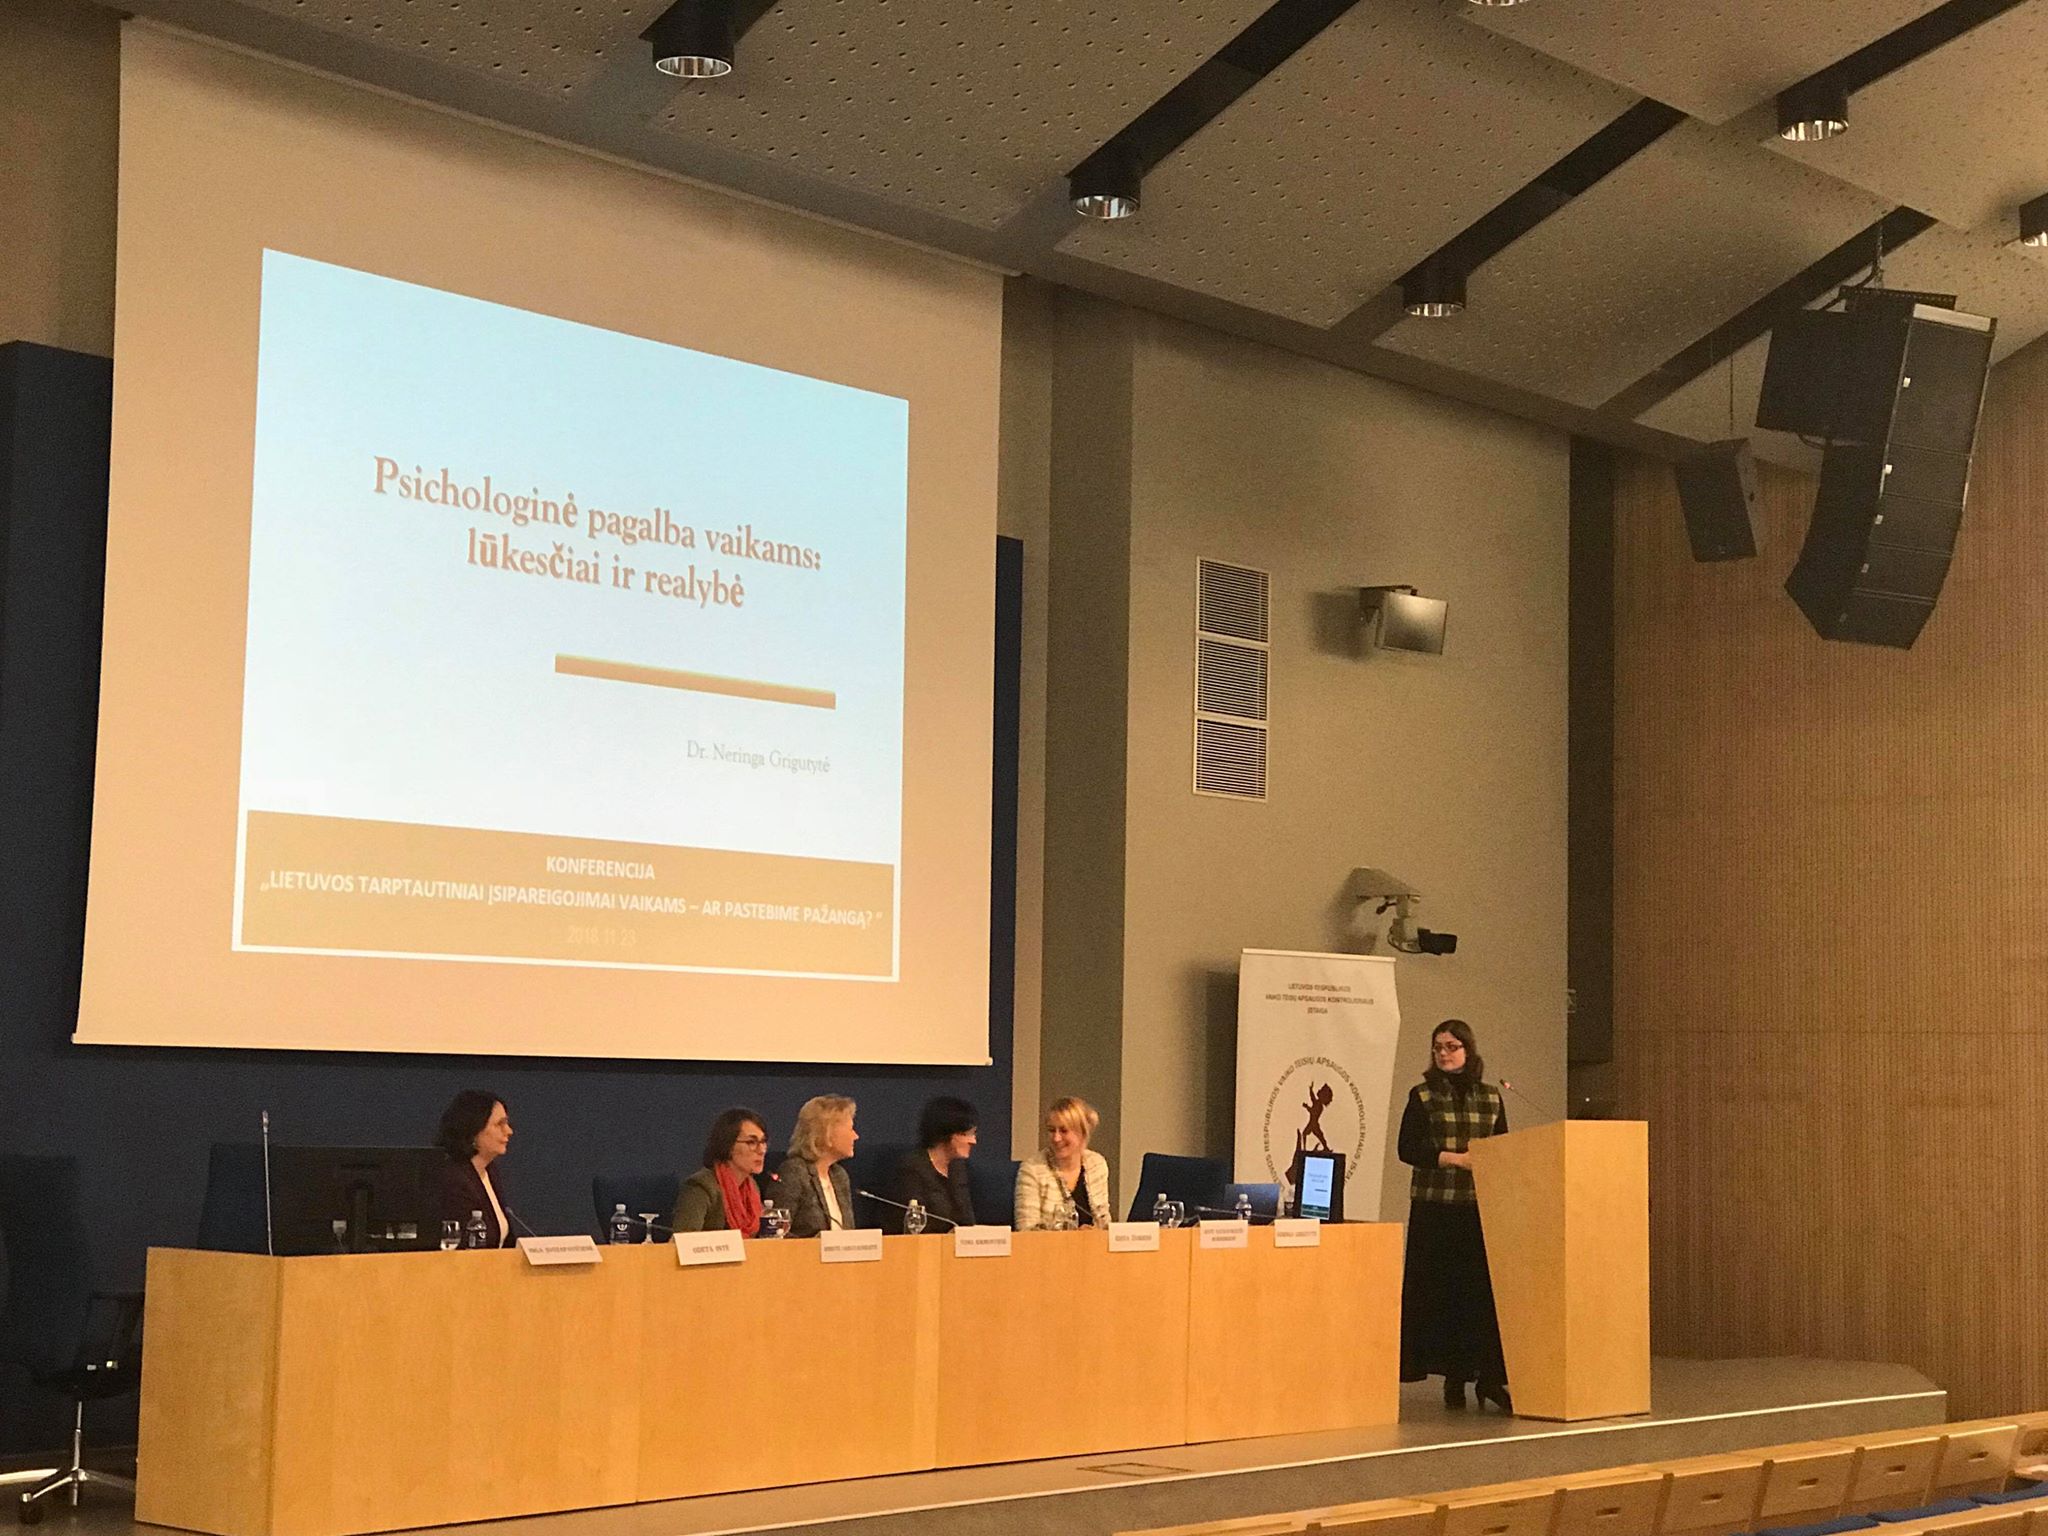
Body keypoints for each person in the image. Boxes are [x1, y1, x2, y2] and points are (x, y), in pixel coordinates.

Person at [1397, 1019, 1511, 1413]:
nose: (1443, 1054)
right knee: (1442, 1298)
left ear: (1468, 1050)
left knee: (1478, 1297)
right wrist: (1454, 1159)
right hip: (1435, 1211)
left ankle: (1488, 1378)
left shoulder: (1492, 1096)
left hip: (1478, 1211)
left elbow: (1503, 1150)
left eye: (1451, 1046)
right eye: (1438, 1048)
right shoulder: (1422, 1096)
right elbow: (1408, 1148)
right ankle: (1453, 1379)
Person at [1014, 1096, 1111, 1229]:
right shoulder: (1032, 1170)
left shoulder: (1097, 1164)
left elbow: (1104, 1222)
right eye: (1051, 1130)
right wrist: (1075, 1236)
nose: (1056, 1138)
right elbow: (1026, 1231)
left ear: (1082, 1133)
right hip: (1050, 1244)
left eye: (1064, 1131)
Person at [436, 1089, 515, 1247]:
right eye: (500, 1124)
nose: (509, 1131)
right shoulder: (453, 1180)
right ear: (474, 1130)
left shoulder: (490, 1171)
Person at [673, 1107, 769, 1235]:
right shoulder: (701, 1187)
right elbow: (685, 1239)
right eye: (752, 1142)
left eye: (763, 1142)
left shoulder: (751, 1187)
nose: (761, 1150)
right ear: (728, 1146)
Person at [891, 1095, 978, 1231]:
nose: (973, 1141)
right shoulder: (911, 1169)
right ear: (945, 1132)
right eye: (966, 1134)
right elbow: (913, 1226)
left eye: (974, 1134)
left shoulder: (958, 1168)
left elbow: (967, 1221)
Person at [775, 1095, 858, 1237]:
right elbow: (777, 1232)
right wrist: (812, 1245)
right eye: (851, 1129)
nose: (855, 1136)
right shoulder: (794, 1172)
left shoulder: (839, 1175)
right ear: (828, 1133)